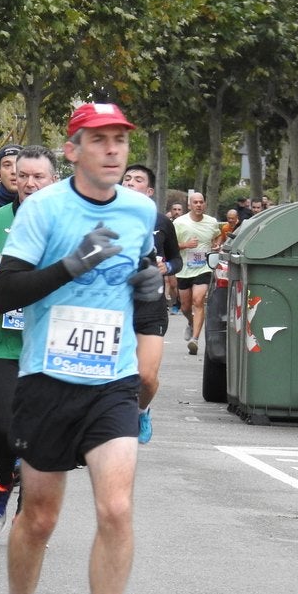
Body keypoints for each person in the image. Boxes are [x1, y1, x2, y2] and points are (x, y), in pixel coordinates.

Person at [0, 103, 161, 594]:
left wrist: (149, 293)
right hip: (47, 378)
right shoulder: (43, 209)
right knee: (39, 518)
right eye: (100, 140)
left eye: (120, 140)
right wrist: (72, 264)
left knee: (116, 509)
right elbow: (7, 290)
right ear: (74, 149)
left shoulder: (142, 210)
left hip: (110, 380)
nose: (113, 151)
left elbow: (144, 282)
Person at [0, 145, 59, 535]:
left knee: (40, 432)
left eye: (38, 176)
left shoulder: (67, 223)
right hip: (1, 341)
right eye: (21, 174)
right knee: (6, 426)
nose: (28, 182)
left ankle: (27, 504)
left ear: (53, 180)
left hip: (49, 344)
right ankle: (3, 480)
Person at [122, 164, 182, 444]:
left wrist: (165, 267)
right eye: (127, 178)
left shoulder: (161, 222)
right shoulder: (109, 217)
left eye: (138, 180)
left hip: (151, 307)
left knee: (146, 377)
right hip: (118, 305)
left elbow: (176, 260)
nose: (131, 182)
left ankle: (142, 411)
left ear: (148, 191)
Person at [173, 191, 222, 355]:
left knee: (198, 300)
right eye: (195, 202)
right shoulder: (179, 222)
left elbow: (218, 237)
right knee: (185, 307)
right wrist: (186, 245)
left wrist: (216, 245)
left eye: (201, 202)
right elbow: (171, 245)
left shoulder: (212, 222)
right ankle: (191, 322)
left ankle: (194, 340)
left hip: (203, 267)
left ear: (205, 204)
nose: (199, 205)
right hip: (184, 269)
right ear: (189, 205)